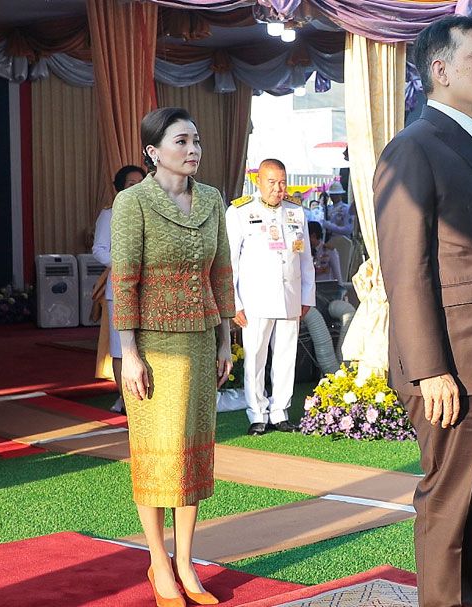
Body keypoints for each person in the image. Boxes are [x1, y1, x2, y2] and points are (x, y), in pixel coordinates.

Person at [374, 16, 472, 607]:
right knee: (451, 507)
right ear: (440, 71)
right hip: (457, 363)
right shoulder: (413, 148)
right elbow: (405, 267)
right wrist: (428, 367)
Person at [111, 106, 235, 607]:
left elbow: (221, 271)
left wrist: (226, 339)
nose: (193, 151)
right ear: (153, 151)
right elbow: (124, 279)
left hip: (203, 339)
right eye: (181, 142)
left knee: (192, 457)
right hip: (153, 347)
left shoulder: (211, 198)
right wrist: (130, 355)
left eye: (197, 141)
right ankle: (158, 562)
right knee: (157, 457)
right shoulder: (132, 202)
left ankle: (186, 562)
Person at [227, 159, 315, 436]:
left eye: (282, 182)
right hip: (255, 298)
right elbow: (230, 261)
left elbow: (305, 259)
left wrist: (307, 296)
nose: (278, 188)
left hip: (289, 295)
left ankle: (280, 411)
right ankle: (257, 413)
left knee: (286, 356)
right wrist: (234, 302)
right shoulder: (240, 211)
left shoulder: (296, 211)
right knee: (255, 356)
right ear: (258, 181)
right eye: (272, 182)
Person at [92, 164, 145, 413]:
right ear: (119, 188)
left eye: (140, 183)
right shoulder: (110, 213)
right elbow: (99, 249)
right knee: (120, 348)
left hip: (148, 288)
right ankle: (125, 400)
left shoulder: (150, 212)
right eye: (130, 184)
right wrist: (122, 265)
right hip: (119, 288)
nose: (136, 188)